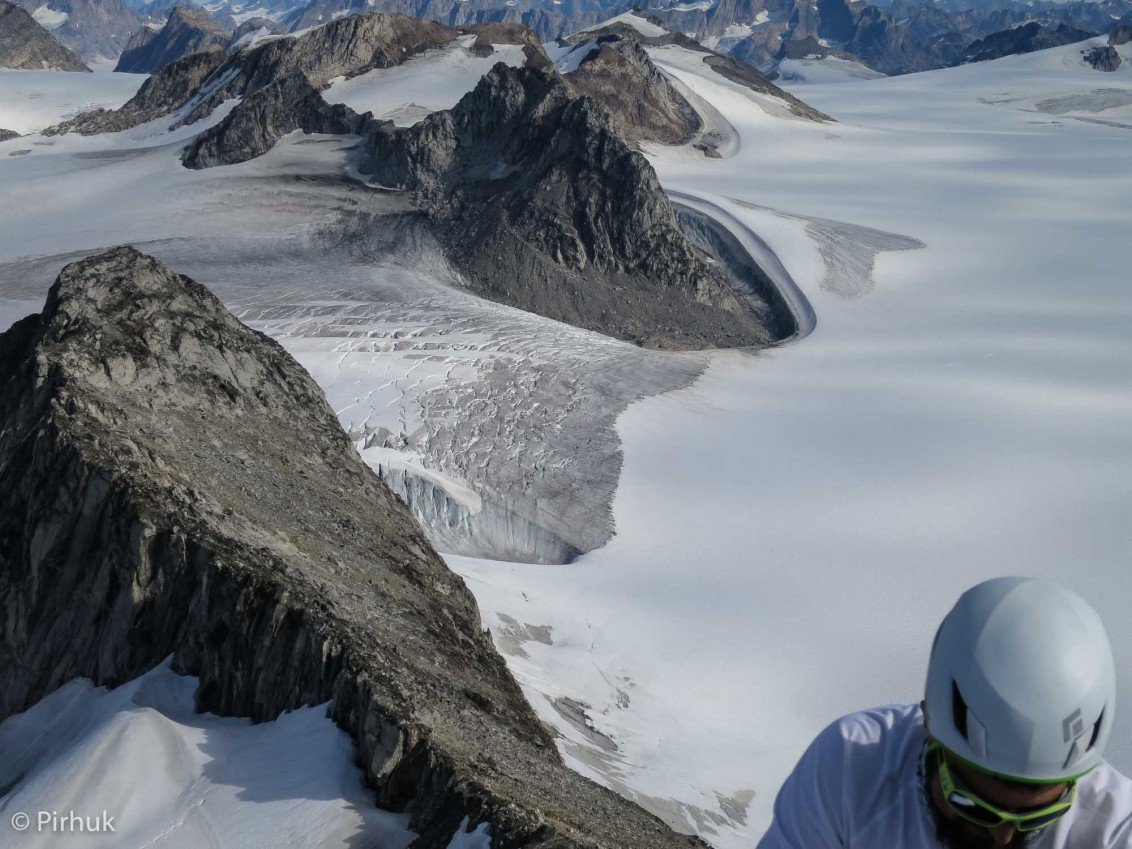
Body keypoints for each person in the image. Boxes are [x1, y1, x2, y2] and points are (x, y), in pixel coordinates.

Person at [757, 576, 1132, 848]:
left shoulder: (1116, 831)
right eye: (973, 806)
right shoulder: (849, 771)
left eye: (1038, 817)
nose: (1002, 837)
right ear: (929, 732)